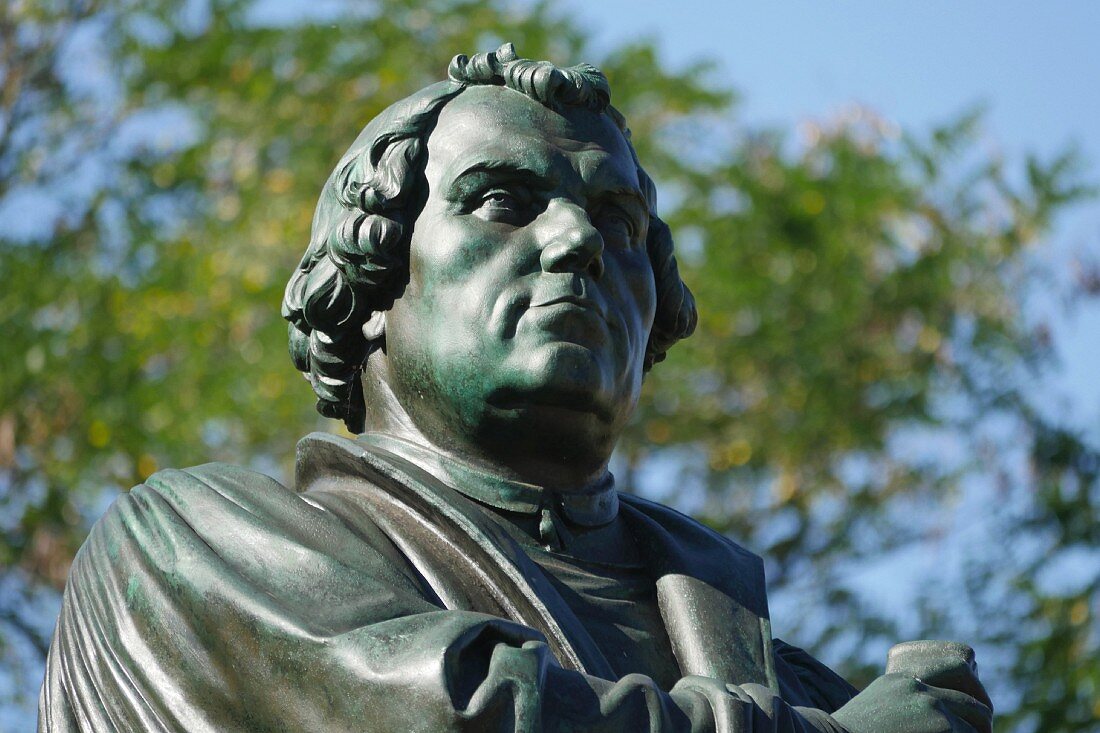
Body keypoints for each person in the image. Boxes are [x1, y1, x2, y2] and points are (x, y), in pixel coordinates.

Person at [39, 44, 993, 732]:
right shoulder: (185, 548)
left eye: (619, 223)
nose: (579, 242)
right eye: (502, 200)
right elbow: (453, 714)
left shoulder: (793, 677)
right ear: (368, 283)